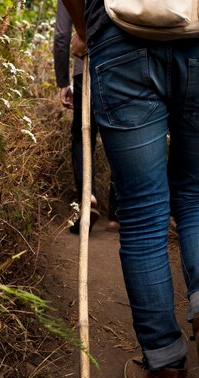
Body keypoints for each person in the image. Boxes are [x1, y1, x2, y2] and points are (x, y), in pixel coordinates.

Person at [62, 0, 199, 378]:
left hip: (120, 35)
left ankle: (165, 376)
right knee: (197, 194)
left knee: (144, 213)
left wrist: (83, 28)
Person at [53, 0, 119, 234]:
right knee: (120, 134)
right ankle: (117, 214)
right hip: (121, 65)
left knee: (83, 135)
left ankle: (86, 197)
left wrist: (63, 81)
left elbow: (62, 35)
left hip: (87, 68)